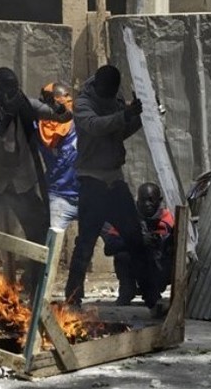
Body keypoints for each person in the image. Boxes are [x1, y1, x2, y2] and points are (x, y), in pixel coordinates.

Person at [64, 64, 159, 312]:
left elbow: (120, 132)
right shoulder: (82, 103)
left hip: (114, 180)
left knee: (135, 240)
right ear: (98, 87)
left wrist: (141, 115)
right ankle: (72, 299)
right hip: (92, 181)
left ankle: (152, 297)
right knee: (85, 244)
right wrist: (125, 115)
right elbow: (96, 126)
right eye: (107, 91)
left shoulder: (116, 99)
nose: (111, 96)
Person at [0, 67, 72, 295]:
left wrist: (56, 105)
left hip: (22, 181)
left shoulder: (26, 104)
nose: (13, 92)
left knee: (38, 232)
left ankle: (33, 284)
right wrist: (6, 119)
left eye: (15, 86)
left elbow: (63, 117)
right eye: (8, 87)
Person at [101, 182, 175, 306]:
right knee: (122, 255)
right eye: (143, 200)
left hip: (159, 268)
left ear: (159, 200)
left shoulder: (167, 218)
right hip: (134, 264)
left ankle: (152, 291)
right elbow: (109, 247)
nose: (147, 204)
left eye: (151, 200)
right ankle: (127, 289)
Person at [37, 82, 79, 230]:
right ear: (54, 101)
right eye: (65, 96)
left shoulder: (78, 120)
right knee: (52, 244)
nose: (69, 99)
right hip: (59, 197)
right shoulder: (40, 127)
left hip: (88, 196)